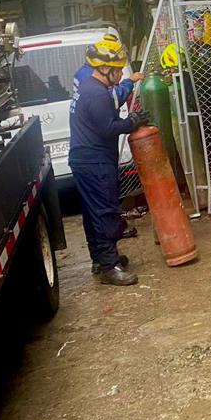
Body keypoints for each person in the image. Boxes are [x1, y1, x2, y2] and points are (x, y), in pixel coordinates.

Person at [68, 37, 150, 286]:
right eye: (118, 70)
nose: (120, 74)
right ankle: (109, 266)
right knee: (105, 212)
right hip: (95, 161)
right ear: (106, 69)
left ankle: (100, 259)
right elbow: (108, 128)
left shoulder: (88, 87)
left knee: (92, 212)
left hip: (84, 159)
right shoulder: (97, 94)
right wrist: (132, 122)